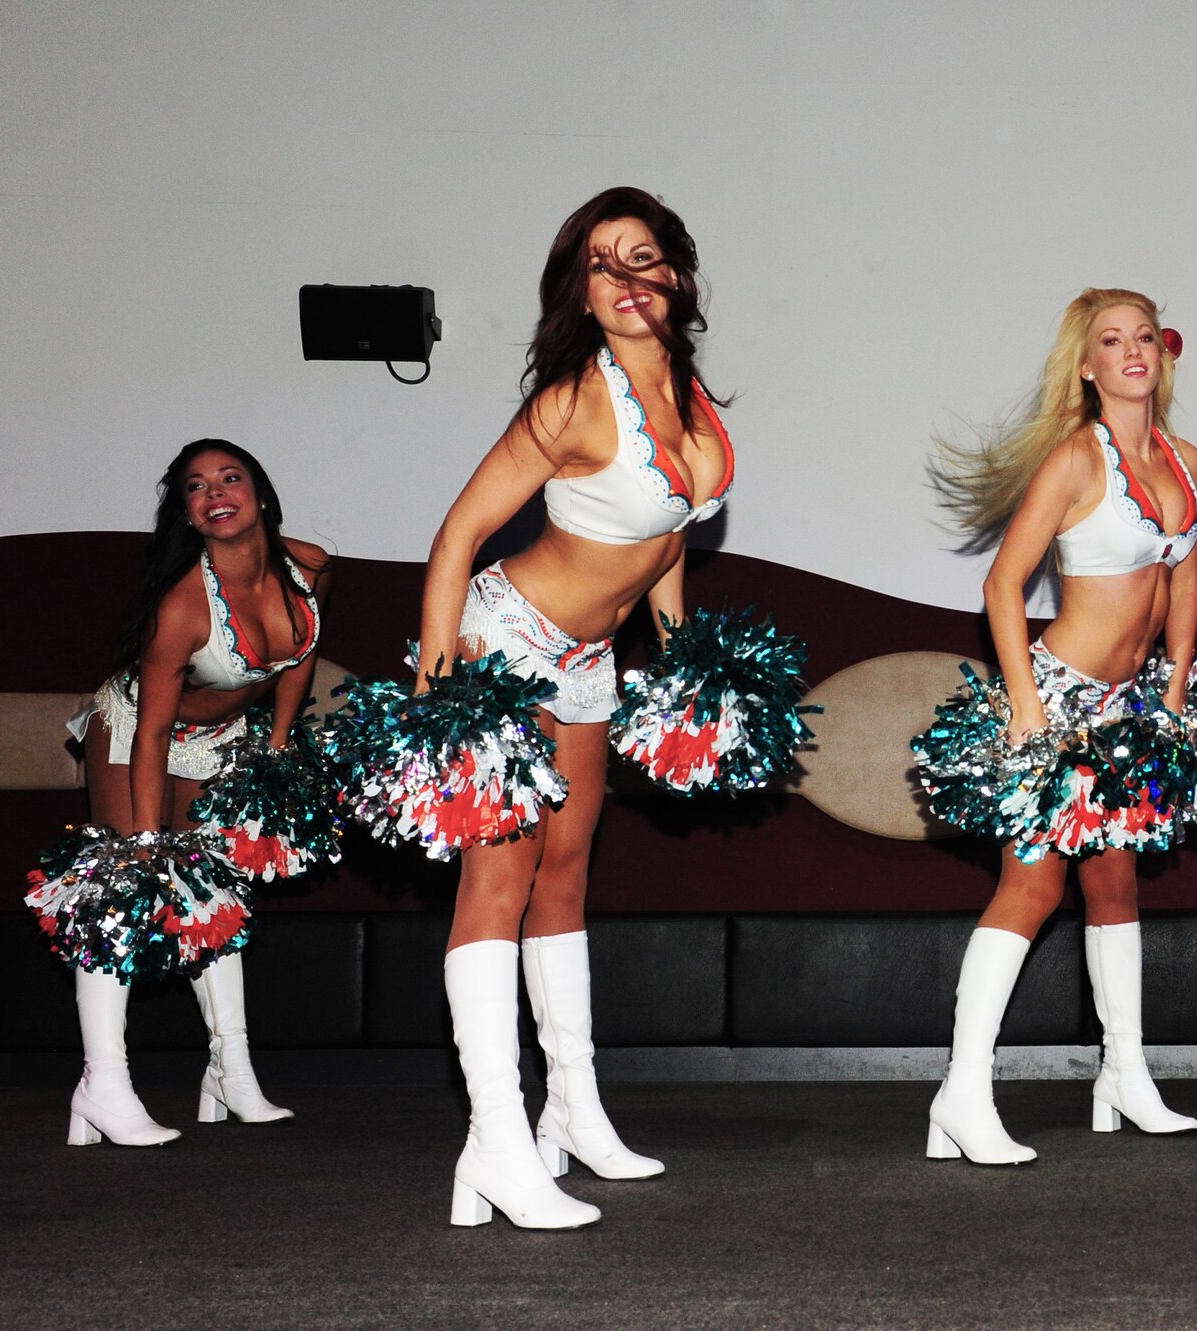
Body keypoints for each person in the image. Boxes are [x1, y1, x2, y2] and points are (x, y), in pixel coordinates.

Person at [418, 187, 732, 1229]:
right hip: (506, 642)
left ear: (676, 274)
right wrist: (438, 672)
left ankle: (573, 1111)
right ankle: (498, 1142)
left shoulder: (689, 396)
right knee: (497, 883)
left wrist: (681, 659)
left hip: (592, 656)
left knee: (564, 875)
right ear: (581, 292)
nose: (629, 279)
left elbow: (667, 535)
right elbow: (459, 531)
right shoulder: (569, 398)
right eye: (604, 264)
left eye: (644, 257)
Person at [918, 288, 1197, 1166]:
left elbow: (1187, 582)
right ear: (1086, 365)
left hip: (1134, 711)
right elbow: (1000, 586)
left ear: (1162, 355)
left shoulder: (1188, 461)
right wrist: (1026, 705)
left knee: (1116, 889)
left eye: (1143, 337)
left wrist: (1171, 690)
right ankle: (962, 1091)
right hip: (1058, 698)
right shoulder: (1076, 463)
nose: (1132, 351)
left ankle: (1124, 1074)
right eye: (1110, 340)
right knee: (1033, 889)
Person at [61, 440, 329, 1145]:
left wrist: (272, 755)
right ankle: (103, 1084)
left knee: (213, 894)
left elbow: (297, 660)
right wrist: (148, 847)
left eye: (230, 477)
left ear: (261, 493)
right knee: (121, 898)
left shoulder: (310, 567)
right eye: (195, 486)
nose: (215, 491)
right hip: (136, 733)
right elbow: (151, 735)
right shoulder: (183, 605)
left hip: (218, 738)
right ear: (188, 513)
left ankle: (230, 1070)